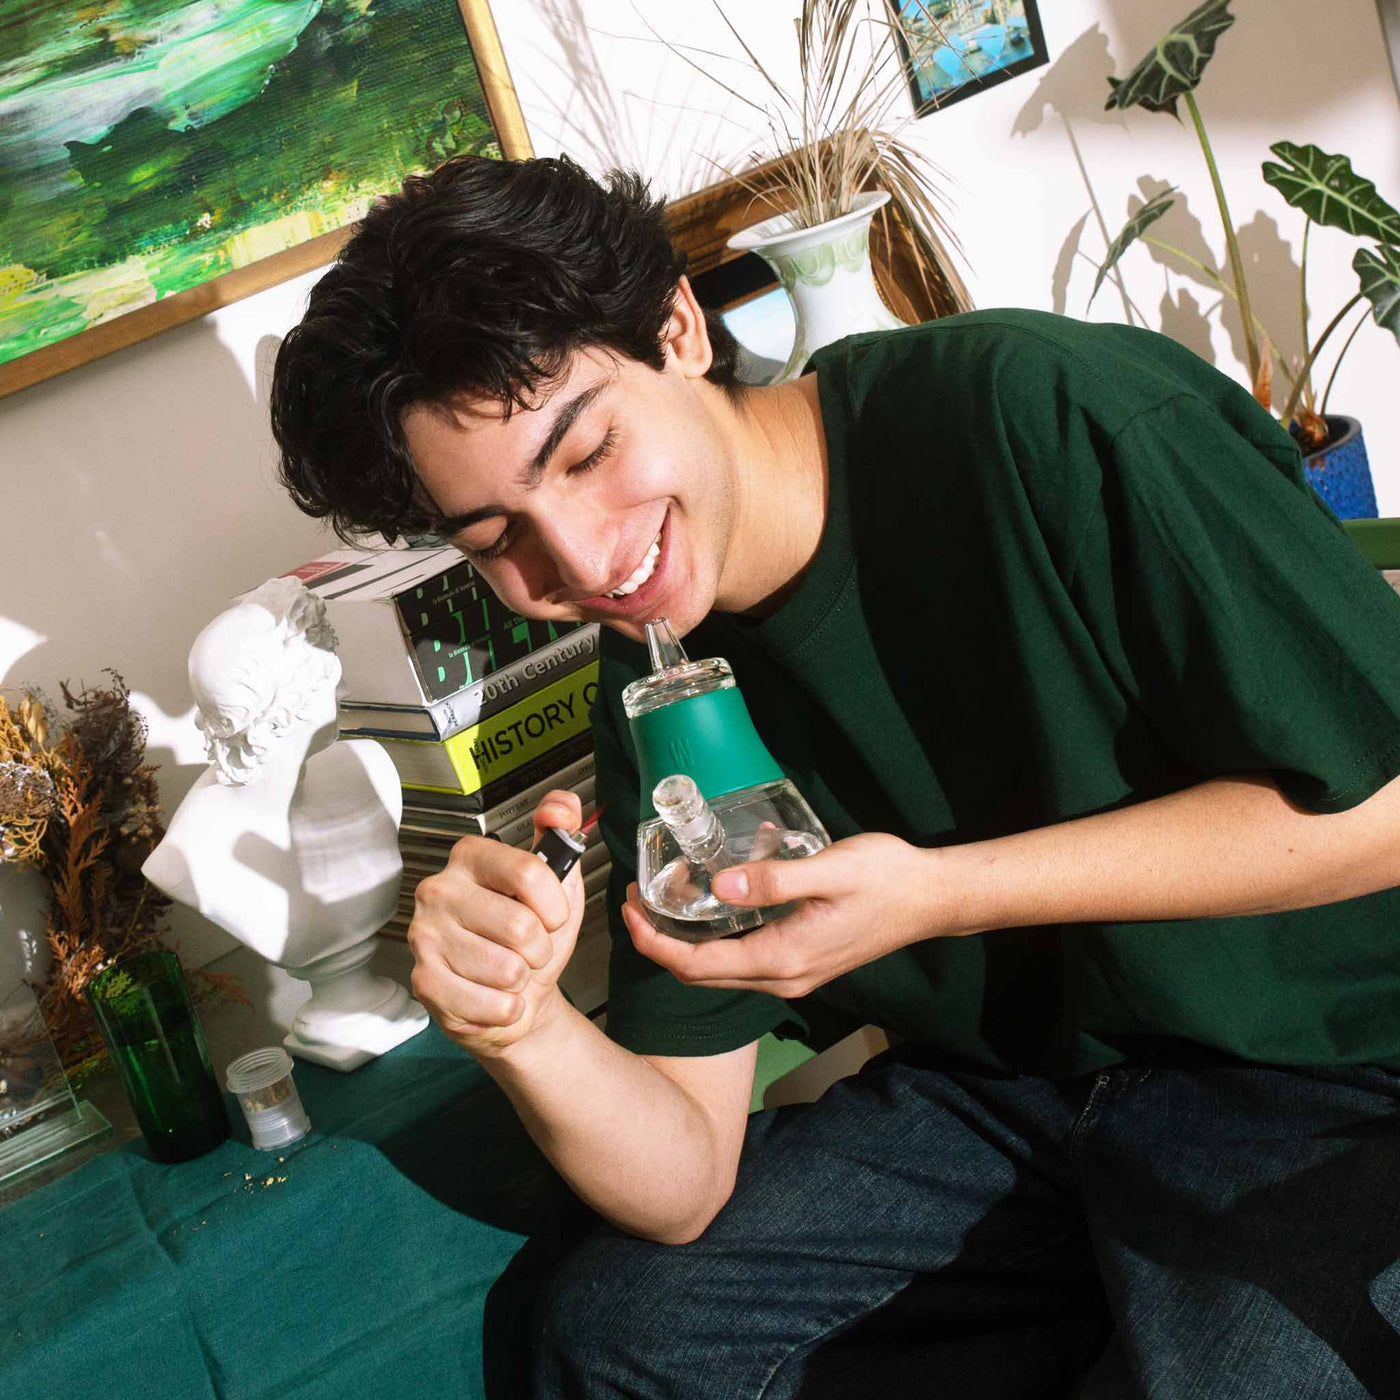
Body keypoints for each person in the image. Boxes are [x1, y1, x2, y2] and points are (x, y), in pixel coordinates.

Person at [269, 154, 1400, 1397]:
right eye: (495, 539)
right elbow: (685, 1172)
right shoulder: (652, 662)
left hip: (1332, 1062)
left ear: (678, 328)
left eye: (586, 453)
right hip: (1013, 1098)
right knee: (610, 1333)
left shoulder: (1043, 411)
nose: (583, 560)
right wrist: (517, 1022)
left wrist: (941, 893)